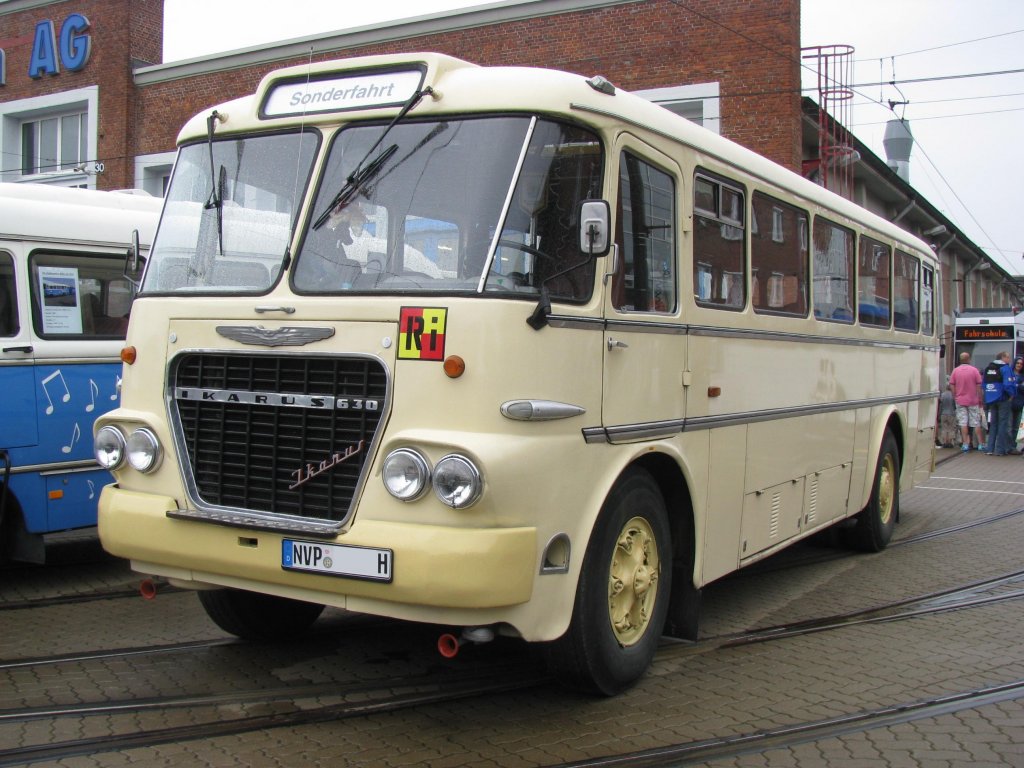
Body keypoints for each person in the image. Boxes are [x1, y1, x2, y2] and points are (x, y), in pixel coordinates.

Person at [947, 352, 984, 452]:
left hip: (960, 401)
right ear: (969, 359)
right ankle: (980, 444)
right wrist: (980, 399)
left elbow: (951, 385)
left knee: (963, 423)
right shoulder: (974, 370)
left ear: (960, 359)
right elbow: (979, 386)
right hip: (973, 400)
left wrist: (955, 396)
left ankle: (965, 444)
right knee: (976, 422)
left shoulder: (955, 371)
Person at [983, 351, 1016, 456]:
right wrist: (1011, 395)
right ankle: (1000, 449)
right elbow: (1007, 384)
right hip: (1003, 399)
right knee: (1003, 424)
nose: (1009, 359)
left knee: (993, 424)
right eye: (1008, 357)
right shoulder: (1005, 368)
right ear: (1003, 357)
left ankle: (990, 448)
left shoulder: (988, 368)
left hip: (992, 399)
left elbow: (984, 383)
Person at [937, 383, 958, 448]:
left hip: (943, 414)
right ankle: (950, 442)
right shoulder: (953, 395)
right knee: (951, 428)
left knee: (944, 429)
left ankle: (945, 442)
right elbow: (955, 406)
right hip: (951, 414)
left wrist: (939, 414)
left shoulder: (942, 395)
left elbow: (940, 405)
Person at [1011, 357, 1024, 454]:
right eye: (1018, 363)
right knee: (1008, 427)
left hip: (1019, 404)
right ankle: (1007, 447)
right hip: (1009, 404)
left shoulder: (1022, 376)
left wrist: (1017, 385)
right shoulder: (1009, 374)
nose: (1019, 365)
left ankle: (1013, 447)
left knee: (1016, 427)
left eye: (1021, 363)